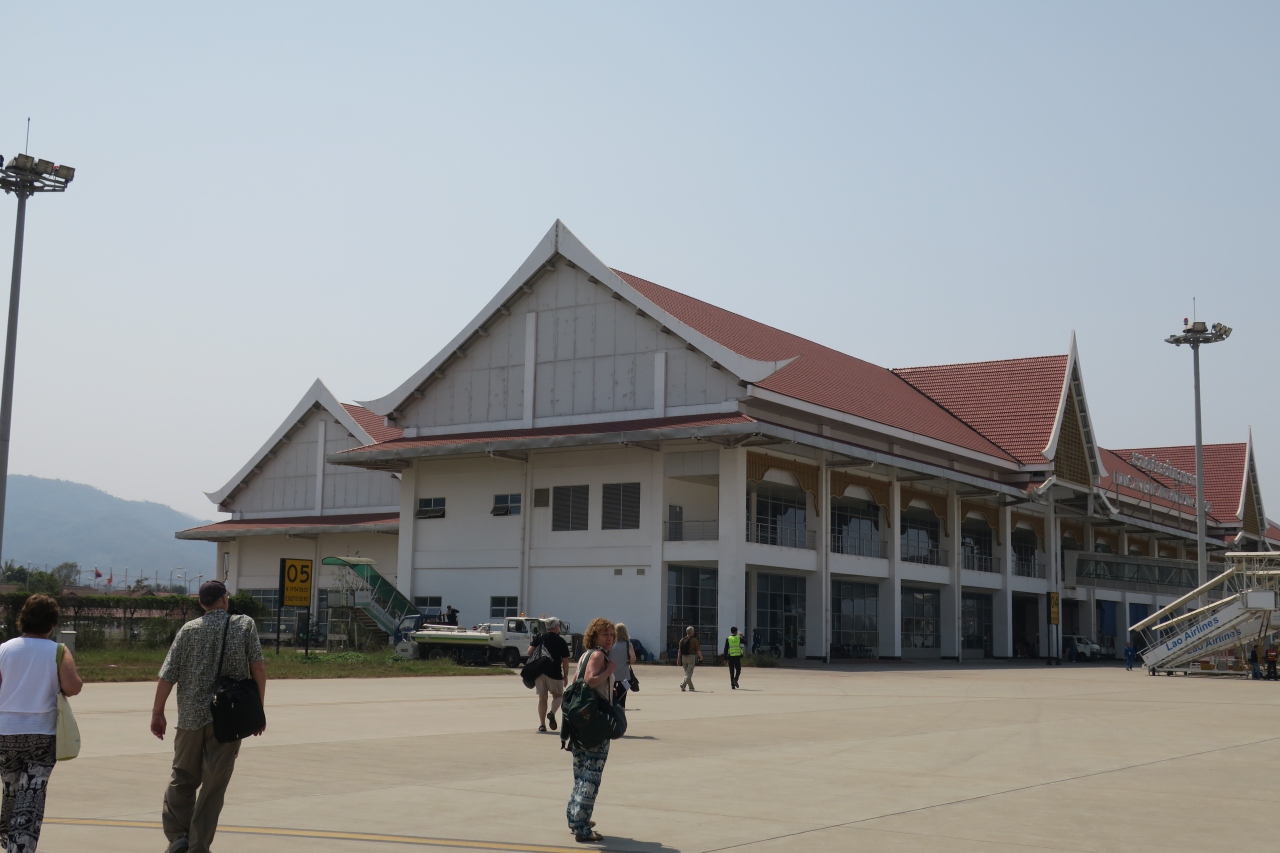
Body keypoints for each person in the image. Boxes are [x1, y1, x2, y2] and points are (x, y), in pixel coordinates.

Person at [153, 581, 265, 853]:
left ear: (201, 603)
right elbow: (258, 669)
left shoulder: (188, 630)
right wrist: (257, 710)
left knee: (182, 777)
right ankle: (198, 846)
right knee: (214, 785)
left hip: (190, 717)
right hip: (228, 719)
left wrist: (158, 712)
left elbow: (168, 675)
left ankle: (178, 837)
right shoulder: (244, 625)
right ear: (225, 599)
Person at [0, 594, 82, 852]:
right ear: (52, 623)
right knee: (31, 797)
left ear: (23, 619)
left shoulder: (4, 649)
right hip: (42, 735)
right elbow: (73, 687)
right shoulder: (57, 651)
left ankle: (7, 838)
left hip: (6, 732)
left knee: (11, 791)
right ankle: (20, 847)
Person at [566, 617, 616, 843]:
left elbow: (575, 682)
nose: (609, 638)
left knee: (580, 772)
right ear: (594, 636)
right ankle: (582, 827)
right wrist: (610, 670)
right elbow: (590, 681)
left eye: (612, 635)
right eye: (605, 634)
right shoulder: (598, 656)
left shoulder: (585, 655)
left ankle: (575, 817)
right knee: (591, 775)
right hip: (594, 723)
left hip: (579, 722)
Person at [527, 618, 571, 733]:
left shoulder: (539, 638)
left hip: (539, 672)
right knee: (558, 696)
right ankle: (551, 713)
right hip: (554, 673)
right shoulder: (561, 641)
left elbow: (529, 652)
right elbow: (565, 661)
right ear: (556, 627)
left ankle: (542, 725)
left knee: (542, 698)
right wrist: (565, 676)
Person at [608, 623, 637, 708]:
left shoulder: (610, 644)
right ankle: (621, 714)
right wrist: (627, 661)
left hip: (611, 675)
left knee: (611, 699)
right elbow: (633, 658)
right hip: (624, 676)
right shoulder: (628, 644)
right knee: (622, 700)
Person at [677, 626, 701, 692]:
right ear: (691, 632)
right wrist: (701, 657)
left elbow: (679, 650)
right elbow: (698, 650)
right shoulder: (694, 640)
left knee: (687, 673)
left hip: (683, 657)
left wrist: (678, 658)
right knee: (689, 672)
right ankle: (683, 684)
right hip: (691, 657)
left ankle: (691, 687)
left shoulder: (682, 640)